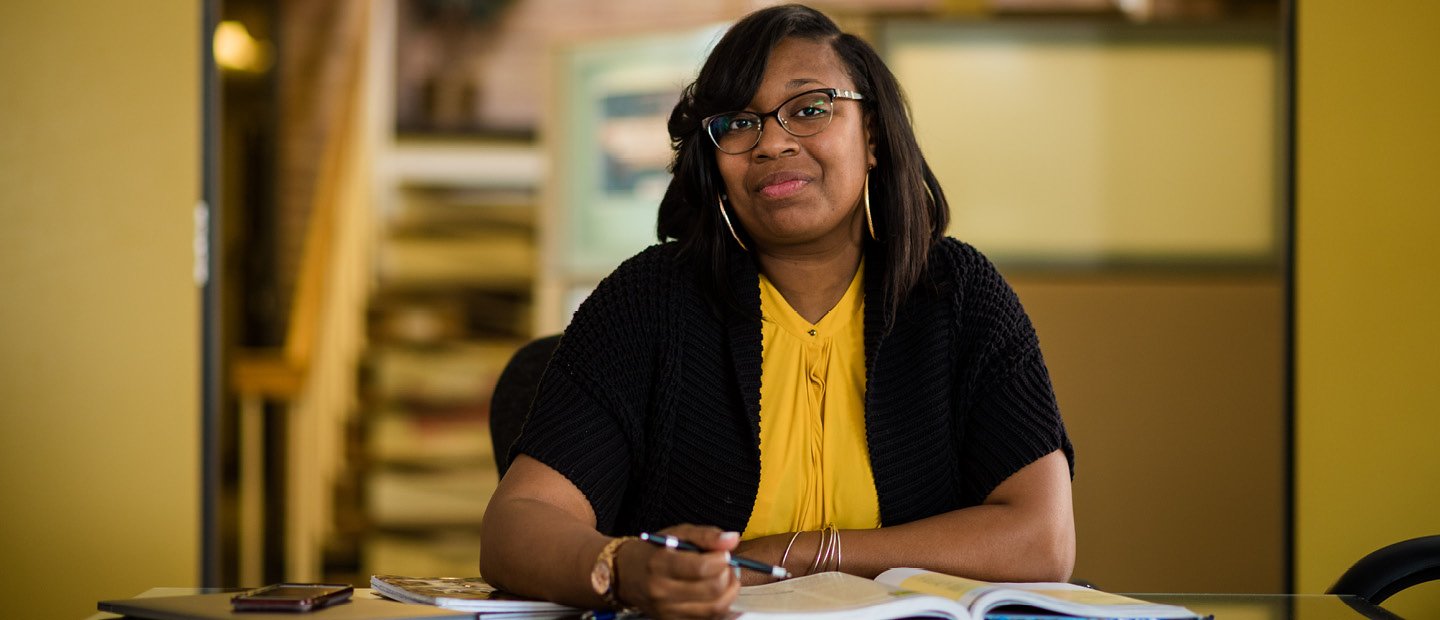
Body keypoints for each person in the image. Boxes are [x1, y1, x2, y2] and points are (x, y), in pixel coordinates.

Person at [480, 4, 1074, 619]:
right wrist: (622, 567)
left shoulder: (959, 296)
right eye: (738, 123)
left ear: (871, 134)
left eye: (810, 109)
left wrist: (811, 553)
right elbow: (516, 526)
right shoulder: (647, 303)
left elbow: (1042, 539)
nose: (772, 142)